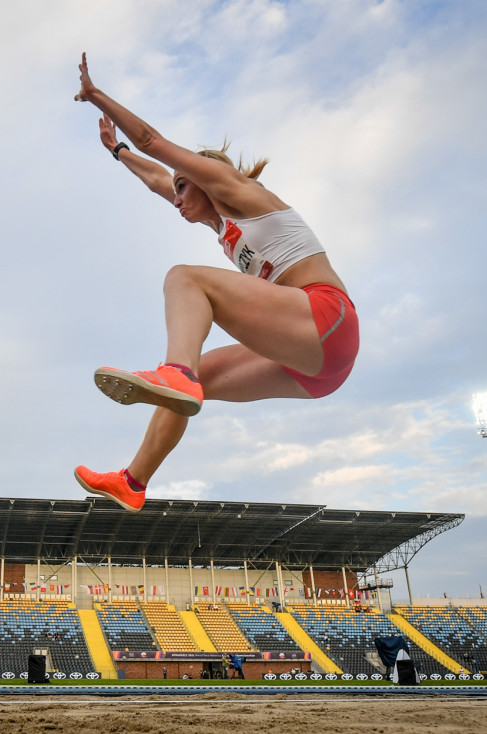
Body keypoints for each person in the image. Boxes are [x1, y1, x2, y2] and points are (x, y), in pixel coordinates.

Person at [72, 53, 359, 512]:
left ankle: (177, 371)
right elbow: (155, 177)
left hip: (328, 319)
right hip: (316, 368)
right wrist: (116, 151)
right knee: (194, 378)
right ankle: (132, 481)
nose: (177, 196)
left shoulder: (238, 192)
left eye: (184, 187)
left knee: (184, 280)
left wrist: (97, 96)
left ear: (206, 181)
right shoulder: (218, 224)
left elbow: (152, 142)